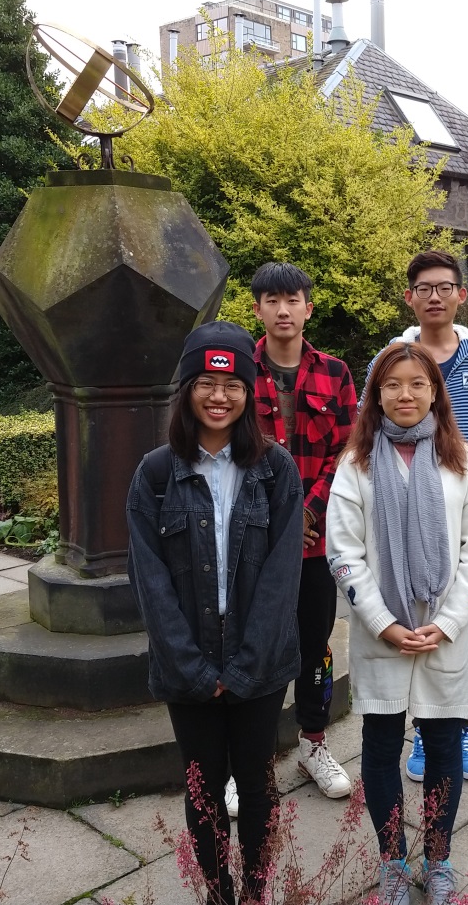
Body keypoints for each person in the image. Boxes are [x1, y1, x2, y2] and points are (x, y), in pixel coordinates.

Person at [126, 321, 304, 905]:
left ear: (249, 393)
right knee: (202, 788)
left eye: (232, 386)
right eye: (205, 383)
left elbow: (282, 576)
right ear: (187, 391)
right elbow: (149, 581)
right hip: (188, 660)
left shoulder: (275, 469)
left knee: (256, 782)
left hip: (260, 659)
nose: (219, 397)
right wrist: (194, 669)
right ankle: (217, 892)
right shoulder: (156, 474)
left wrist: (248, 665)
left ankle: (254, 890)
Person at [328, 341, 468, 905]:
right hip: (384, 635)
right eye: (393, 384)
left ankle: (439, 859)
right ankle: (393, 862)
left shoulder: (462, 460)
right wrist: (382, 621)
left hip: (445, 634)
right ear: (376, 395)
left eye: (417, 384)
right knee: (379, 748)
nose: (406, 394)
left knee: (445, 746)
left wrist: (448, 623)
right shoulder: (356, 463)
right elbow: (343, 551)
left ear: (434, 393)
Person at [373, 250, 468, 783]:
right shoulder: (391, 358)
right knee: (406, 621)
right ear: (409, 297)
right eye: (424, 288)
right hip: (402, 516)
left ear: (461, 294)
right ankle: (421, 728)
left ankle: (459, 725)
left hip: (466, 515)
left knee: (462, 625)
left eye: (444, 287)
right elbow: (369, 425)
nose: (434, 296)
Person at [248, 261, 358, 802]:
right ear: (258, 310)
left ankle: (313, 742)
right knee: (254, 646)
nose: (283, 309)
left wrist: (306, 515)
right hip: (254, 542)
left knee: (315, 645)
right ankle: (250, 758)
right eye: (272, 300)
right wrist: (278, 520)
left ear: (308, 308)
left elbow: (347, 452)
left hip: (315, 544)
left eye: (292, 299)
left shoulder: (336, 373)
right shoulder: (239, 371)